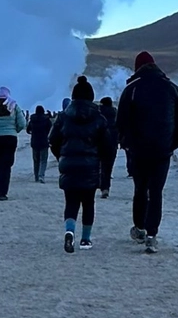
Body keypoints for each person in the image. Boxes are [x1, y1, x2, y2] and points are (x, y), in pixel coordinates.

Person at [117, 51, 178, 254]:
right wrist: (168, 136)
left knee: (140, 189)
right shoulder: (172, 88)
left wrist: (127, 141)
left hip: (137, 151)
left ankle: (139, 228)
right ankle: (151, 236)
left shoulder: (131, 89)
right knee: (156, 192)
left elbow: (120, 121)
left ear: (137, 67)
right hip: (162, 150)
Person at [50, 77, 110, 252]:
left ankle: (69, 232)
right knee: (88, 202)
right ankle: (85, 239)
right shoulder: (99, 118)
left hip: (69, 164)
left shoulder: (63, 117)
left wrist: (60, 155)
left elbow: (53, 139)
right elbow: (106, 145)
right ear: (92, 96)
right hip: (90, 165)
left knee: (71, 202)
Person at [97, 96, 119, 199]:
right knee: (108, 167)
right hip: (112, 144)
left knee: (98, 165)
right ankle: (106, 188)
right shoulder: (116, 114)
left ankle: (100, 184)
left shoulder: (98, 114)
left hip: (99, 143)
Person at [27, 106, 53, 183]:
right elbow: (50, 130)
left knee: (36, 160)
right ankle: (41, 176)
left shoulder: (32, 119)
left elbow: (28, 130)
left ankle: (36, 177)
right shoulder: (46, 120)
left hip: (34, 142)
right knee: (43, 160)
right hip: (44, 142)